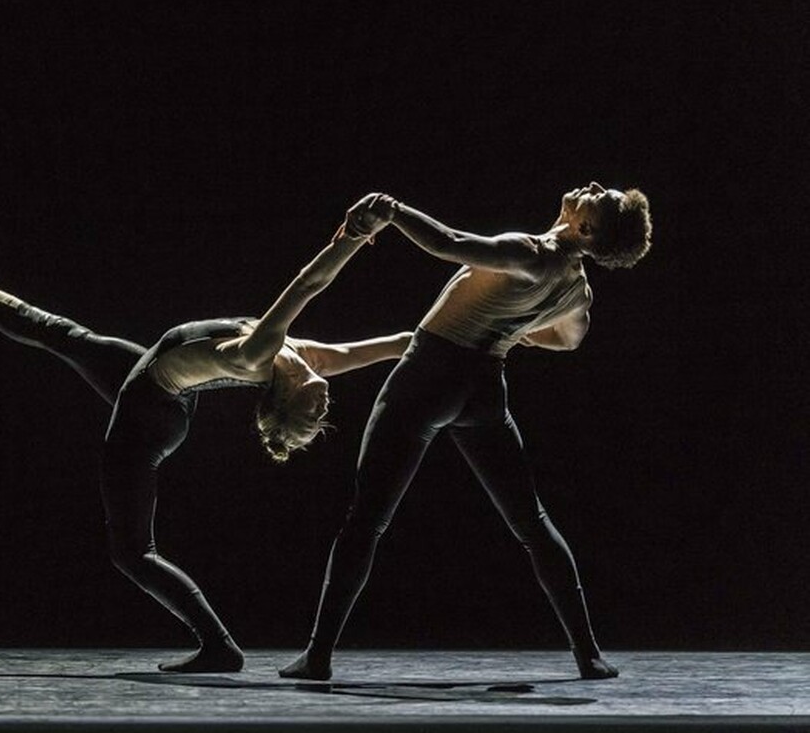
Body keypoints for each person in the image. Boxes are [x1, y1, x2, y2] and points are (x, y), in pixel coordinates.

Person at [0, 217, 412, 673]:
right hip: (160, 388)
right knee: (64, 335)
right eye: (319, 412)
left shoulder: (257, 354)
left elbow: (308, 284)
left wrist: (353, 236)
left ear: (285, 396)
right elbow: (396, 344)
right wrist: (443, 336)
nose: (325, 407)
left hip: (147, 417)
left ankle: (219, 646)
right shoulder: (309, 359)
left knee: (132, 552)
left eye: (312, 413)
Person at [279, 183, 653, 681]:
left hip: (429, 376)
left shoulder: (532, 252)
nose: (593, 187)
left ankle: (317, 656)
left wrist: (393, 210)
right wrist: (514, 328)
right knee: (532, 522)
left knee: (366, 520)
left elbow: (449, 242)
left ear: (585, 228)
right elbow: (568, 339)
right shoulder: (576, 288)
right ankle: (589, 656)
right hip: (484, 388)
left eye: (599, 198)